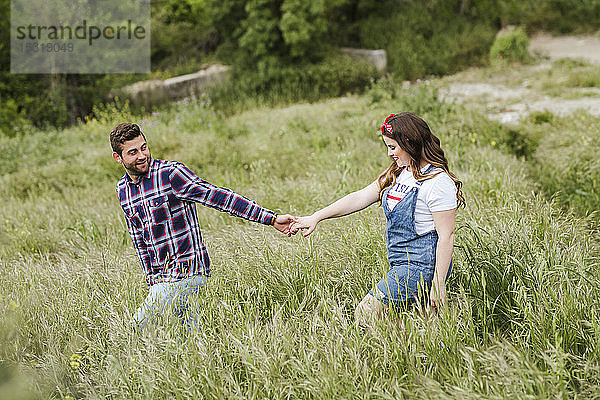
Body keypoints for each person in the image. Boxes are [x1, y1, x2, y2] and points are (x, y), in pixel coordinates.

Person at [110, 123, 296, 329]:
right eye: (133, 152)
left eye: (144, 147)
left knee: (135, 329)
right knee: (188, 340)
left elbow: (219, 197)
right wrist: (152, 280)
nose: (142, 155)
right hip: (162, 280)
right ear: (118, 158)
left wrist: (270, 218)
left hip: (188, 271)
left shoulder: (170, 174)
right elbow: (139, 239)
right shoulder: (123, 190)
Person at [290, 112, 464, 326]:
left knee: (365, 313)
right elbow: (360, 197)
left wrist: (438, 283)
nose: (390, 153)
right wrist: (316, 217)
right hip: (400, 263)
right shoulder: (400, 172)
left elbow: (447, 236)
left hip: (421, 266)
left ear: (410, 143)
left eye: (393, 147)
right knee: (416, 323)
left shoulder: (437, 182)